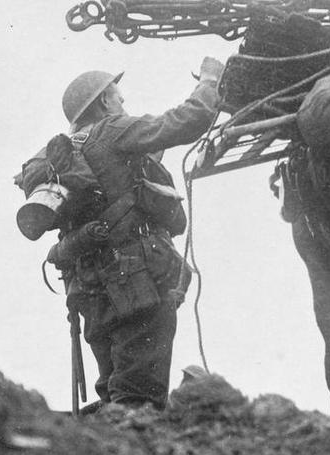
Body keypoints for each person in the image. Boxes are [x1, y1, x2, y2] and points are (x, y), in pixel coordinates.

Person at [15, 58, 223, 413]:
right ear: (105, 103)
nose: (123, 104)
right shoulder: (112, 130)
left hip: (91, 293)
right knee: (138, 401)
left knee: (116, 392)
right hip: (137, 285)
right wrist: (209, 81)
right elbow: (185, 122)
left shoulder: (66, 152)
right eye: (119, 98)